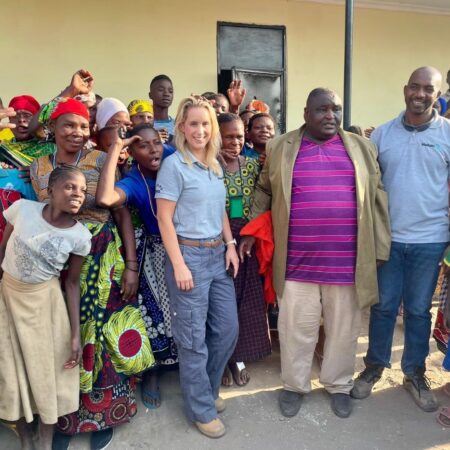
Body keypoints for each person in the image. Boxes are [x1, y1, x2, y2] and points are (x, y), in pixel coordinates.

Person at [240, 87, 390, 419]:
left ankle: (337, 384)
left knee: (343, 330)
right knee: (296, 329)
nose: (330, 116)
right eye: (322, 110)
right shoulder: (281, 146)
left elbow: (377, 197)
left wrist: (379, 248)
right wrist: (252, 228)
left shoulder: (363, 148)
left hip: (346, 263)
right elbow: (265, 189)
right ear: (306, 113)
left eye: (335, 109)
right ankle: (294, 386)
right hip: (297, 262)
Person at [30, 98, 154, 450]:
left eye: (84, 126)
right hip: (56, 260)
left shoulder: (102, 159)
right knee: (62, 335)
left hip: (102, 257)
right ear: (52, 128)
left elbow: (122, 214)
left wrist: (130, 266)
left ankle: (106, 413)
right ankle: (63, 419)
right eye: (69, 125)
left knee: (102, 334)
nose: (78, 132)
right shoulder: (37, 166)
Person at [351, 67, 450, 413]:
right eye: (415, 87)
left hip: (431, 239)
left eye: (429, 89)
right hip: (388, 240)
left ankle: (415, 372)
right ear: (405, 89)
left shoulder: (448, 134)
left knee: (420, 310)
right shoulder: (382, 134)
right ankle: (375, 366)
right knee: (384, 306)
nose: (420, 94)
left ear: (438, 94)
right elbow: (367, 184)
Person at [155, 96, 239, 438]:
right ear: (181, 128)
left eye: (205, 124)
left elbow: (220, 210)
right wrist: (179, 265)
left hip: (217, 256)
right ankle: (201, 407)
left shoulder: (214, 165)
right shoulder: (175, 166)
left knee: (227, 329)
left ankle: (204, 388)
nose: (200, 130)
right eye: (193, 124)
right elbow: (163, 217)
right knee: (193, 340)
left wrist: (231, 244)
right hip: (187, 256)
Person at [0, 166, 92, 450]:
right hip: (8, 297)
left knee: (46, 371)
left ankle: (45, 439)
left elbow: (72, 284)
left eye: (83, 191)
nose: (78, 194)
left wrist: (75, 335)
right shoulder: (22, 209)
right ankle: (25, 434)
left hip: (45, 305)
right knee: (13, 369)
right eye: (70, 187)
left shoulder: (80, 236)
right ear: (49, 191)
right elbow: (2, 250)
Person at [96, 124, 178, 409]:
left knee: (186, 311)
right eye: (143, 145)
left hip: (188, 245)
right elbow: (105, 199)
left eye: (156, 142)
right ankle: (153, 371)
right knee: (155, 312)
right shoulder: (133, 180)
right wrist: (116, 148)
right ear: (131, 152)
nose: (154, 149)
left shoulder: (172, 157)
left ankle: (183, 364)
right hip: (156, 249)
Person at [218, 113, 271, 387]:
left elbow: (263, 199)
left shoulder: (252, 166)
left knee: (247, 301)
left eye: (239, 136)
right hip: (217, 241)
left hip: (248, 240)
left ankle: (238, 357)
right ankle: (222, 358)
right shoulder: (208, 167)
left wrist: (249, 234)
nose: (235, 141)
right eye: (229, 136)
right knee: (222, 305)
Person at [149, 75, 174, 142]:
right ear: (150, 95)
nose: (166, 94)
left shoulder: (178, 125)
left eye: (170, 91)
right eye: (161, 90)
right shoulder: (145, 125)